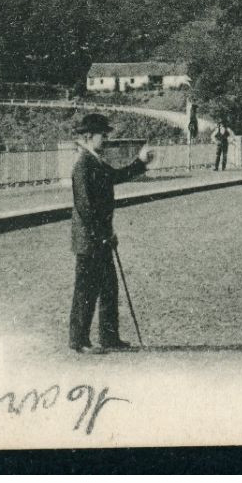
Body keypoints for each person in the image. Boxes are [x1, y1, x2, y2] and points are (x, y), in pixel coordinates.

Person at [68, 112, 152, 353]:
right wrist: (102, 234)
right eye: (102, 135)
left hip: (100, 238)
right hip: (90, 240)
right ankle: (78, 341)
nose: (105, 139)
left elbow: (116, 176)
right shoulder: (83, 164)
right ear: (88, 136)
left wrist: (141, 162)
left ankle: (109, 337)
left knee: (108, 287)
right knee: (85, 291)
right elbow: (84, 207)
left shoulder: (95, 160)